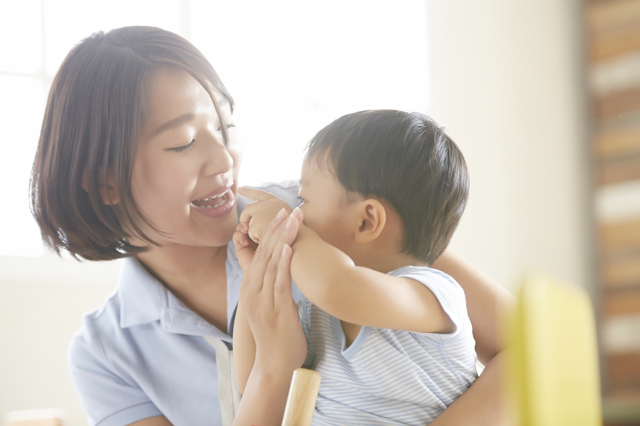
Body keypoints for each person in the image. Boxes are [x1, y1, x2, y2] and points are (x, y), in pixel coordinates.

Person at [29, 26, 513, 426]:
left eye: (226, 127)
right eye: (182, 142)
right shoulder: (107, 356)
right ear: (106, 182)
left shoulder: (322, 220)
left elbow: (533, 348)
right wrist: (272, 371)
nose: (224, 160)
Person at [234, 110, 477, 424]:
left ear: (366, 222)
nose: (297, 214)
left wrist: (281, 228)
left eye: (302, 201)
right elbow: (253, 376)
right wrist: (256, 277)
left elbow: (337, 285)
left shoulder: (434, 295)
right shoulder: (317, 314)